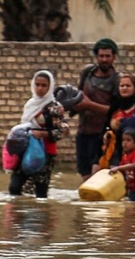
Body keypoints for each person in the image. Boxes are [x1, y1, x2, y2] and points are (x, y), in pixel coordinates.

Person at [94, 72, 135, 187]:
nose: (124, 88)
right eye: (122, 86)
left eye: (128, 86)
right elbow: (106, 129)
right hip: (116, 152)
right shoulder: (115, 107)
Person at [9, 70, 70, 198]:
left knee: (40, 192)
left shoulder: (55, 107)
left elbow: (64, 130)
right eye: (37, 84)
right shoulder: (30, 104)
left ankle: (41, 217)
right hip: (25, 150)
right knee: (15, 187)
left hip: (45, 153)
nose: (40, 88)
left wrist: (44, 134)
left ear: (49, 87)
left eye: (43, 85)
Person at [74, 38, 120, 181]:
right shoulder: (87, 73)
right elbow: (77, 96)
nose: (104, 59)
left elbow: (116, 112)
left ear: (114, 57)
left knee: (98, 176)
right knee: (85, 176)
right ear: (96, 57)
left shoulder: (117, 80)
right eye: (101, 56)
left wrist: (89, 105)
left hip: (103, 136)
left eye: (107, 56)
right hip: (83, 133)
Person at [109, 129, 135, 202]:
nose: (125, 143)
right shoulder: (125, 156)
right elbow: (121, 170)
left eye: (128, 140)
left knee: (134, 207)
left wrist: (118, 168)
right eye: (123, 140)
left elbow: (134, 165)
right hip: (131, 187)